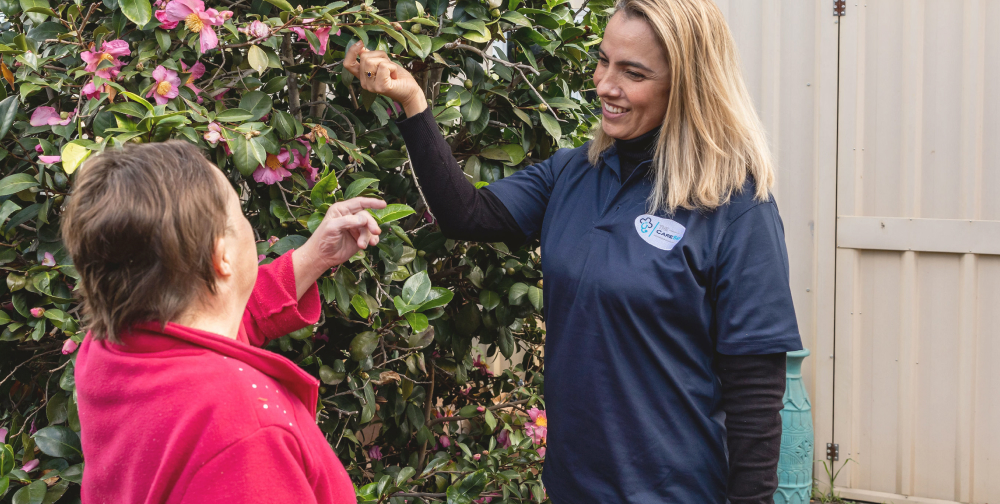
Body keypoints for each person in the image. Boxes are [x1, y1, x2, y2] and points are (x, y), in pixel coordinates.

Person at [343, 0, 803, 502]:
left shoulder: (734, 206)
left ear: (686, 84)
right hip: (573, 487)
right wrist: (410, 99)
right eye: (604, 61)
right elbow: (465, 215)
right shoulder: (572, 173)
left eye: (633, 72)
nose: (606, 85)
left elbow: (755, 393)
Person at [63, 141, 382, 503]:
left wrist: (313, 258)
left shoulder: (111, 347)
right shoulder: (244, 428)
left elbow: (216, 318)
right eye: (242, 215)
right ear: (221, 256)